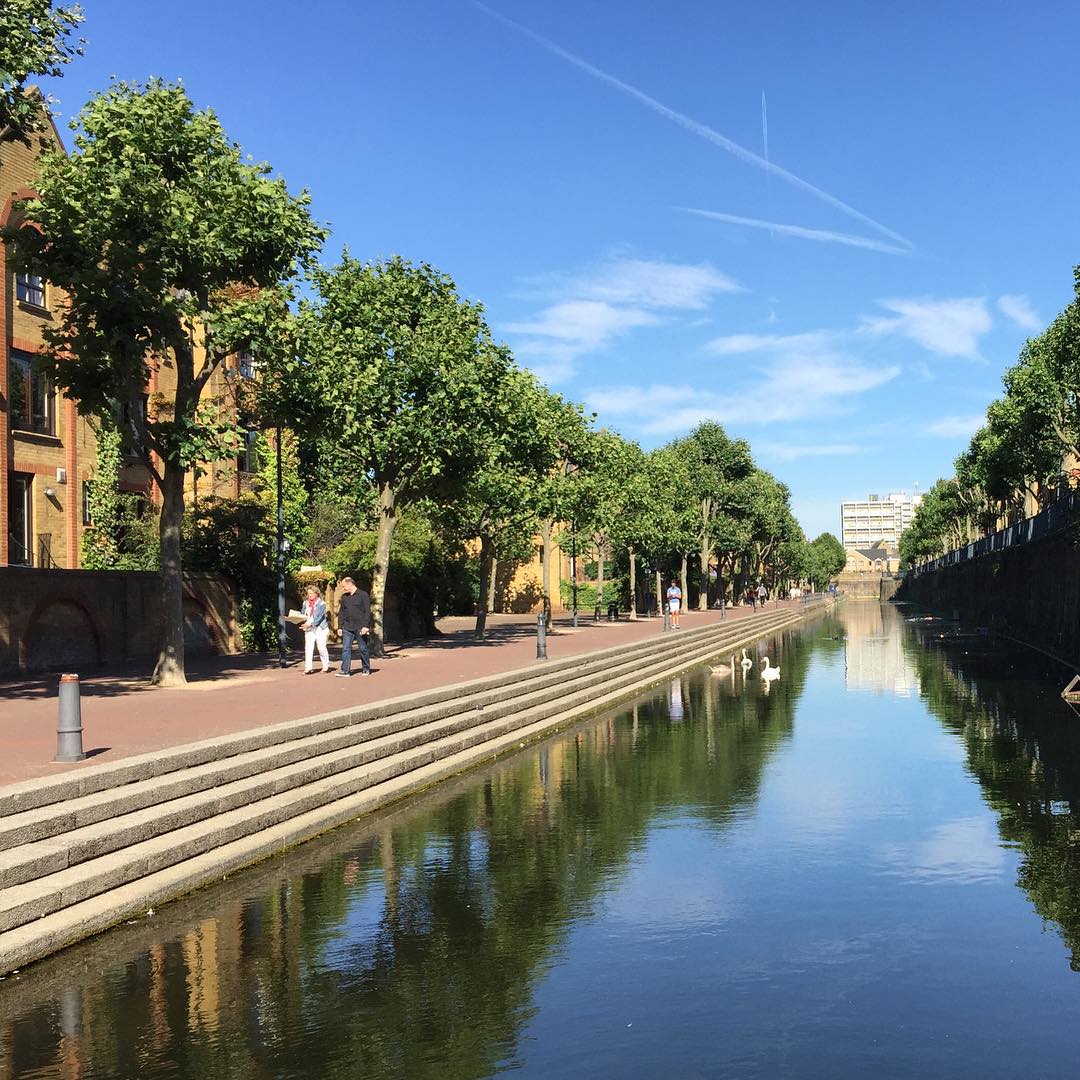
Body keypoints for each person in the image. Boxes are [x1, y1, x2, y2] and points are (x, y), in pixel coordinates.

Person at [337, 576, 372, 676]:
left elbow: (367, 611)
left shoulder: (363, 595)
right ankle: (345, 671)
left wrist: (366, 626)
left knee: (363, 648)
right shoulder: (344, 597)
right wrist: (340, 626)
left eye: (344, 586)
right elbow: (342, 612)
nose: (343, 588)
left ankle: (366, 668)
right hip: (347, 626)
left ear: (350, 584)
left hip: (360, 626)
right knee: (346, 649)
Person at [300, 584, 331, 674]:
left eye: (311, 593)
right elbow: (303, 614)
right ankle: (308, 668)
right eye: (308, 593)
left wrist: (309, 624)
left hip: (320, 628)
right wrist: (299, 618)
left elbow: (318, 618)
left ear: (316, 593)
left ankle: (326, 665)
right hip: (309, 628)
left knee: (321, 647)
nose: (309, 595)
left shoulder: (321, 603)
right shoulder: (305, 603)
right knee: (308, 648)